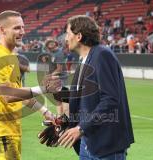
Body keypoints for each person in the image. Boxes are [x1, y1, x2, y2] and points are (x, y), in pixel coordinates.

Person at [0, 10, 61, 160]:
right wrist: (43, 89)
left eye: (23, 27)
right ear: (2, 30)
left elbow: (19, 93)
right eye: (17, 28)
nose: (22, 32)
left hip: (10, 130)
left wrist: (45, 111)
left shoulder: (12, 57)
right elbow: (9, 95)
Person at [58, 15, 134, 160]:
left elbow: (110, 99)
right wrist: (62, 121)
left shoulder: (102, 55)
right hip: (88, 143)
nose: (66, 39)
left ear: (79, 36)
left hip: (107, 146)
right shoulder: (84, 60)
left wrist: (81, 128)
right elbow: (83, 101)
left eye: (68, 34)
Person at [45, 39, 69, 116]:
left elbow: (59, 69)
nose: (50, 44)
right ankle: (60, 116)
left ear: (55, 43)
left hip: (62, 79)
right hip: (55, 79)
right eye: (48, 43)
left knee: (64, 100)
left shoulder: (59, 53)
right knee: (58, 99)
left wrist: (49, 76)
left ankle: (66, 117)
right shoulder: (51, 53)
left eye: (52, 42)